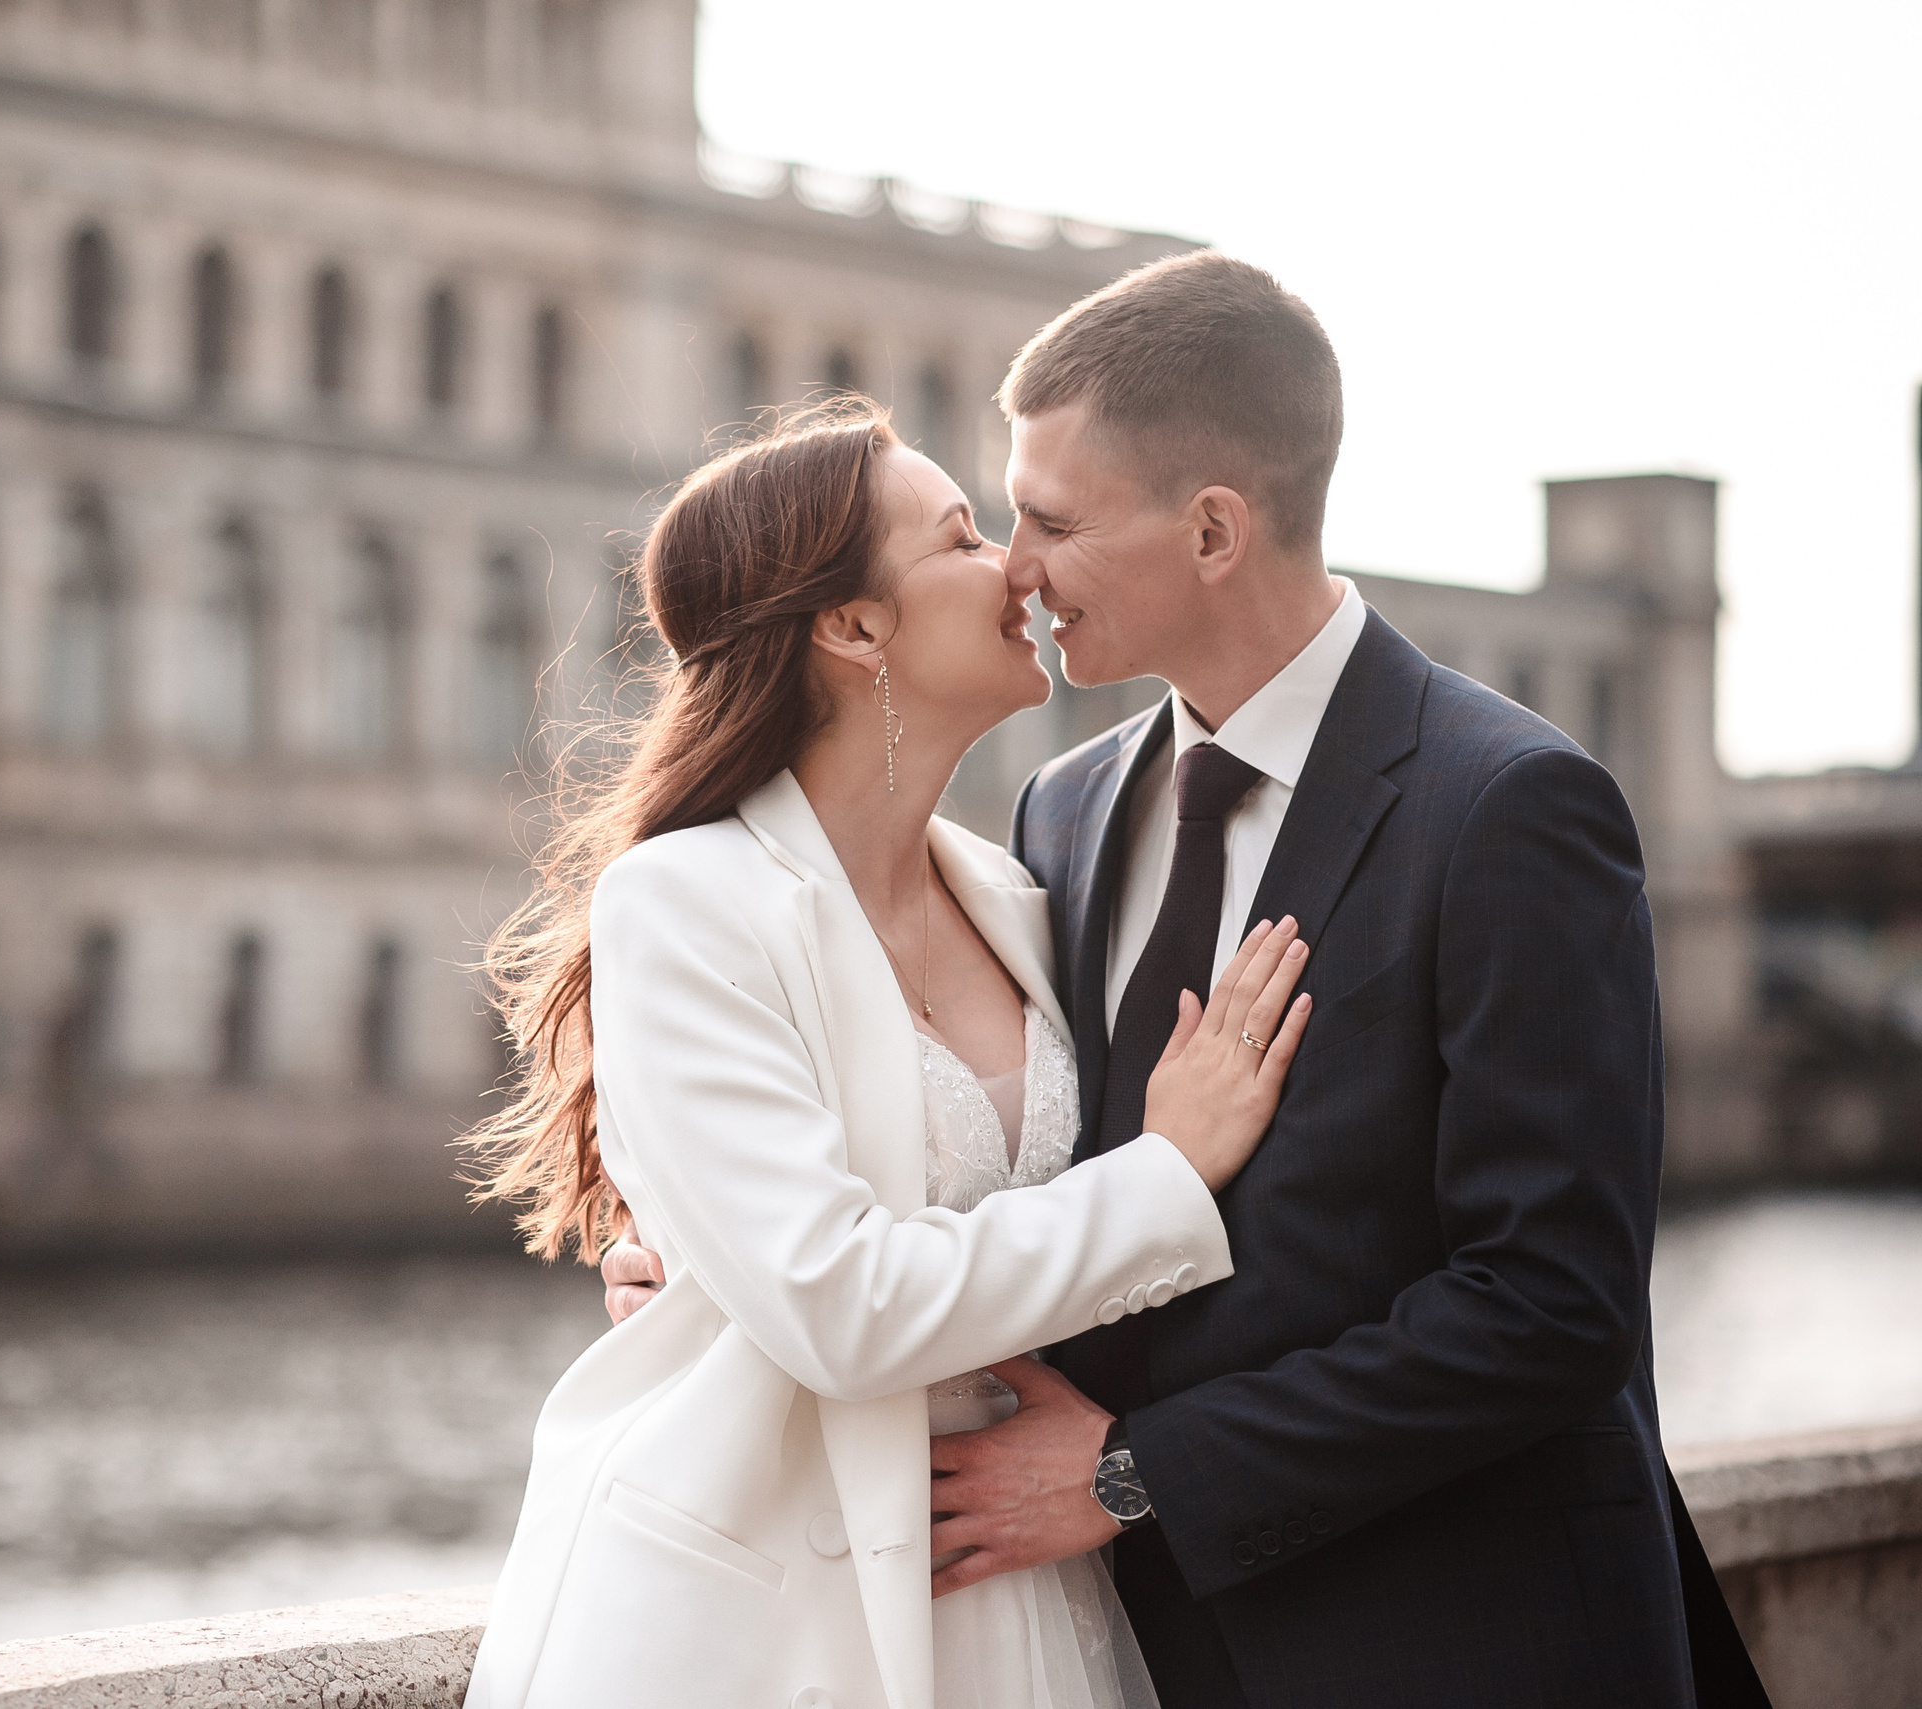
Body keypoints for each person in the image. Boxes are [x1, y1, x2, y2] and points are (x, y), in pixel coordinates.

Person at [606, 253, 1770, 1709]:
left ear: (1214, 529)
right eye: (989, 524)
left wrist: (1132, 1474)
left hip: (1469, 1642)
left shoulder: (1510, 805)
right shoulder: (1065, 818)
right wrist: (724, 1283)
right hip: (1148, 1650)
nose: (1017, 567)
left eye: (1046, 520)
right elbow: (996, 1183)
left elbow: (1551, 1303)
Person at [461, 400, 1315, 1709]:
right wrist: (1166, 1169)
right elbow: (839, 1305)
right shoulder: (683, 902)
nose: (1019, 566)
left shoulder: (1024, 895)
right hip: (766, 1627)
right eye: (965, 535)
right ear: (854, 625)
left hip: (1021, 1586)